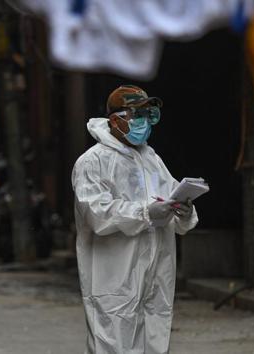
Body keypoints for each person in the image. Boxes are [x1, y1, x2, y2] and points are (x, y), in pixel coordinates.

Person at [72, 85, 199, 353]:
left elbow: (171, 196)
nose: (144, 124)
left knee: (155, 339)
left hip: (156, 273)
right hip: (114, 278)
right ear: (116, 120)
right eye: (137, 116)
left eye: (148, 116)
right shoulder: (92, 162)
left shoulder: (151, 159)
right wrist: (144, 212)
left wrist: (184, 212)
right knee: (113, 343)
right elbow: (96, 213)